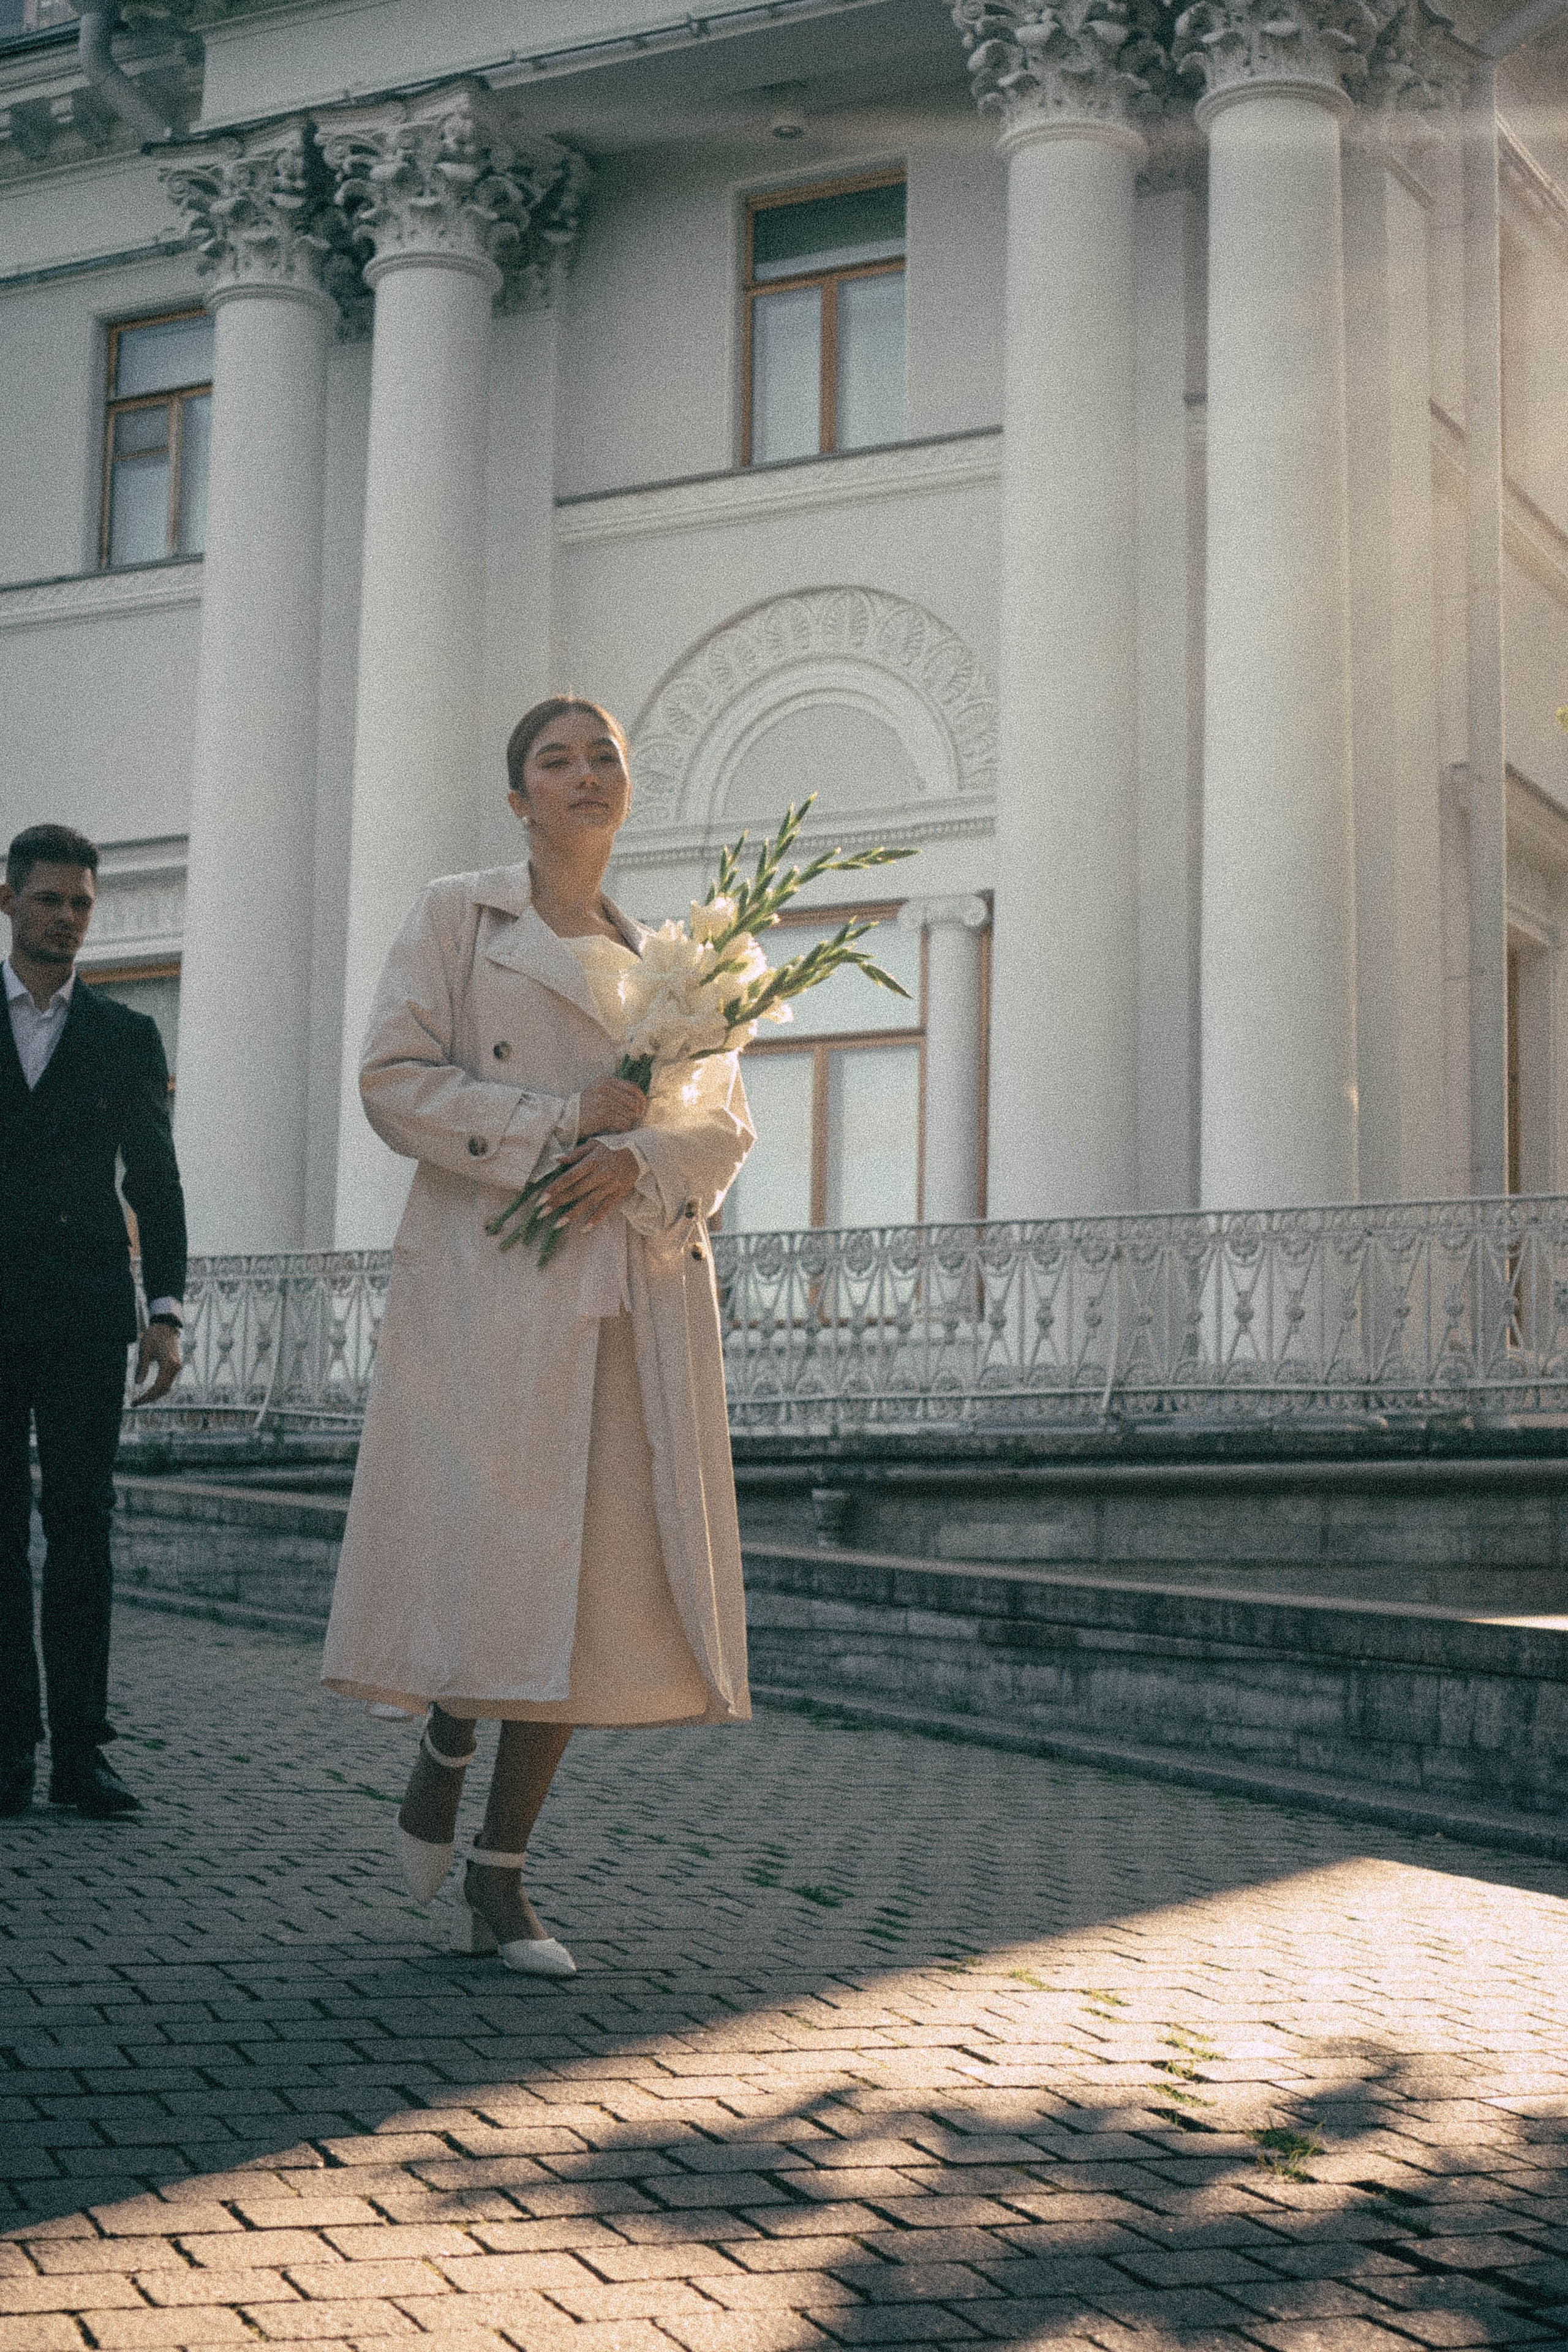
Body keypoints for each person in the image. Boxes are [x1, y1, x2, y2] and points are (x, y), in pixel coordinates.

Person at [322, 699, 755, 1974]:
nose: (583, 774)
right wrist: (558, 1124)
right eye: (554, 760)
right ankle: (446, 1741)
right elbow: (393, 1081)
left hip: (625, 1298)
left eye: (602, 756)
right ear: (518, 799)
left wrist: (634, 1156)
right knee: (499, 1557)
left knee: (592, 1577)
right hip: (492, 1290)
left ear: (626, 788)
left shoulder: (674, 959)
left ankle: (501, 1881)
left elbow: (722, 1125)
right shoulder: (458, 916)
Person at [0, 823, 187, 1819]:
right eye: (48, 901)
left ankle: (82, 1752)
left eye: (80, 903)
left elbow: (154, 1182)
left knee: (81, 1530)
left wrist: (164, 1310)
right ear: (8, 903)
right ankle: (5, 1753)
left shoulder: (124, 1036)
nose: (67, 918)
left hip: (83, 1317)